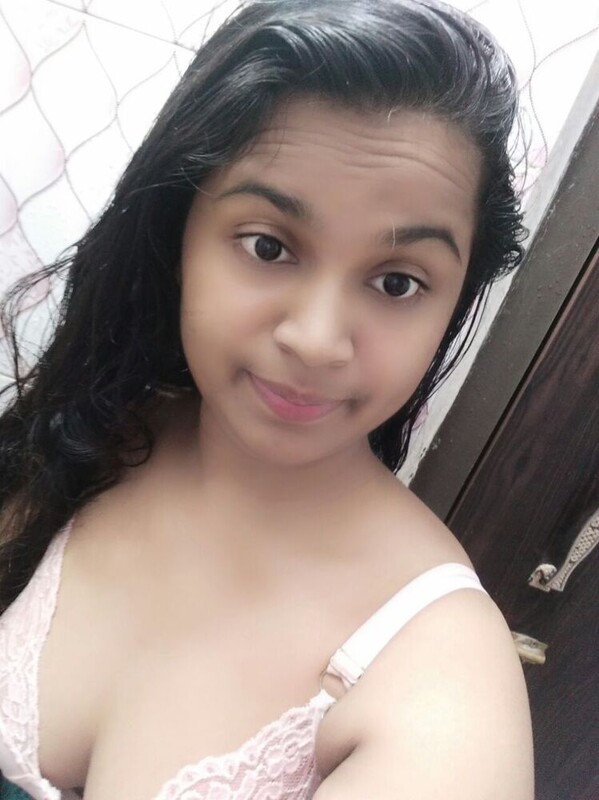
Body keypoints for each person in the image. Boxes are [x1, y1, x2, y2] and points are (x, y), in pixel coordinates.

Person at [0, 0, 534, 797]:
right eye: (268, 245)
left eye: (397, 283)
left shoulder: (439, 676)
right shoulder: (92, 428)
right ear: (178, 234)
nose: (316, 340)